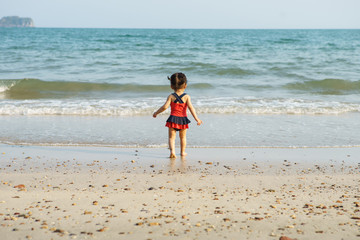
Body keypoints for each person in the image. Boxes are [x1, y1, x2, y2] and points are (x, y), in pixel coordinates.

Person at [153, 73, 202, 158]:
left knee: (172, 138)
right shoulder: (186, 97)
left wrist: (156, 113)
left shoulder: (171, 96)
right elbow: (191, 108)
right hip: (183, 120)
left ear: (171, 86)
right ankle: (182, 152)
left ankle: (172, 152)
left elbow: (165, 107)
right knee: (183, 137)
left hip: (172, 119)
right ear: (185, 85)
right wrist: (197, 119)